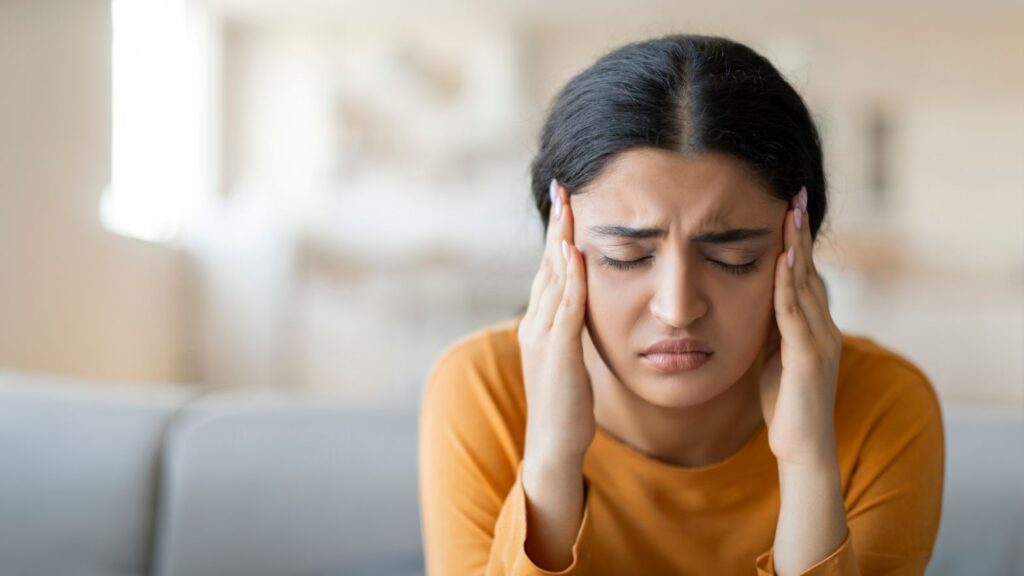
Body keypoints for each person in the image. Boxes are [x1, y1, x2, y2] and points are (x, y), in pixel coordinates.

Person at [418, 34, 944, 575]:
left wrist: (808, 462)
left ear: (798, 247)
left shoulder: (885, 405)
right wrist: (552, 455)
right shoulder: (484, 387)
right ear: (559, 248)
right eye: (625, 256)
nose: (676, 308)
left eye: (733, 257)